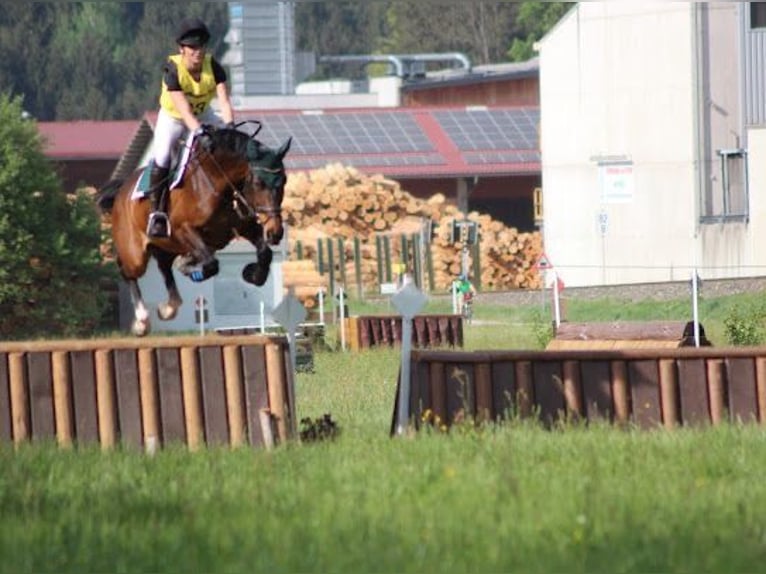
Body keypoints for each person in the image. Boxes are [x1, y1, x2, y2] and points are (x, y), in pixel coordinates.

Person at [146, 16, 235, 239]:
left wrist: (230, 126)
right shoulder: (172, 69)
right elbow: (184, 111)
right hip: (174, 118)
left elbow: (224, 101)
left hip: (203, 113)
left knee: (230, 144)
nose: (197, 52)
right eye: (192, 47)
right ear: (182, 49)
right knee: (163, 157)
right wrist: (199, 132)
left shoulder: (213, 66)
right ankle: (157, 214)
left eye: (201, 46)